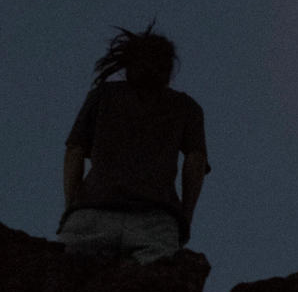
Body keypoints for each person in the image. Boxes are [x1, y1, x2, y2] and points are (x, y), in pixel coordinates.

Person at [57, 22, 209, 264]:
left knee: (68, 288)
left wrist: (72, 206)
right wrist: (185, 215)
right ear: (168, 68)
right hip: (156, 219)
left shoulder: (103, 95)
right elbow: (195, 160)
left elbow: (74, 151)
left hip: (93, 212)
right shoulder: (186, 107)